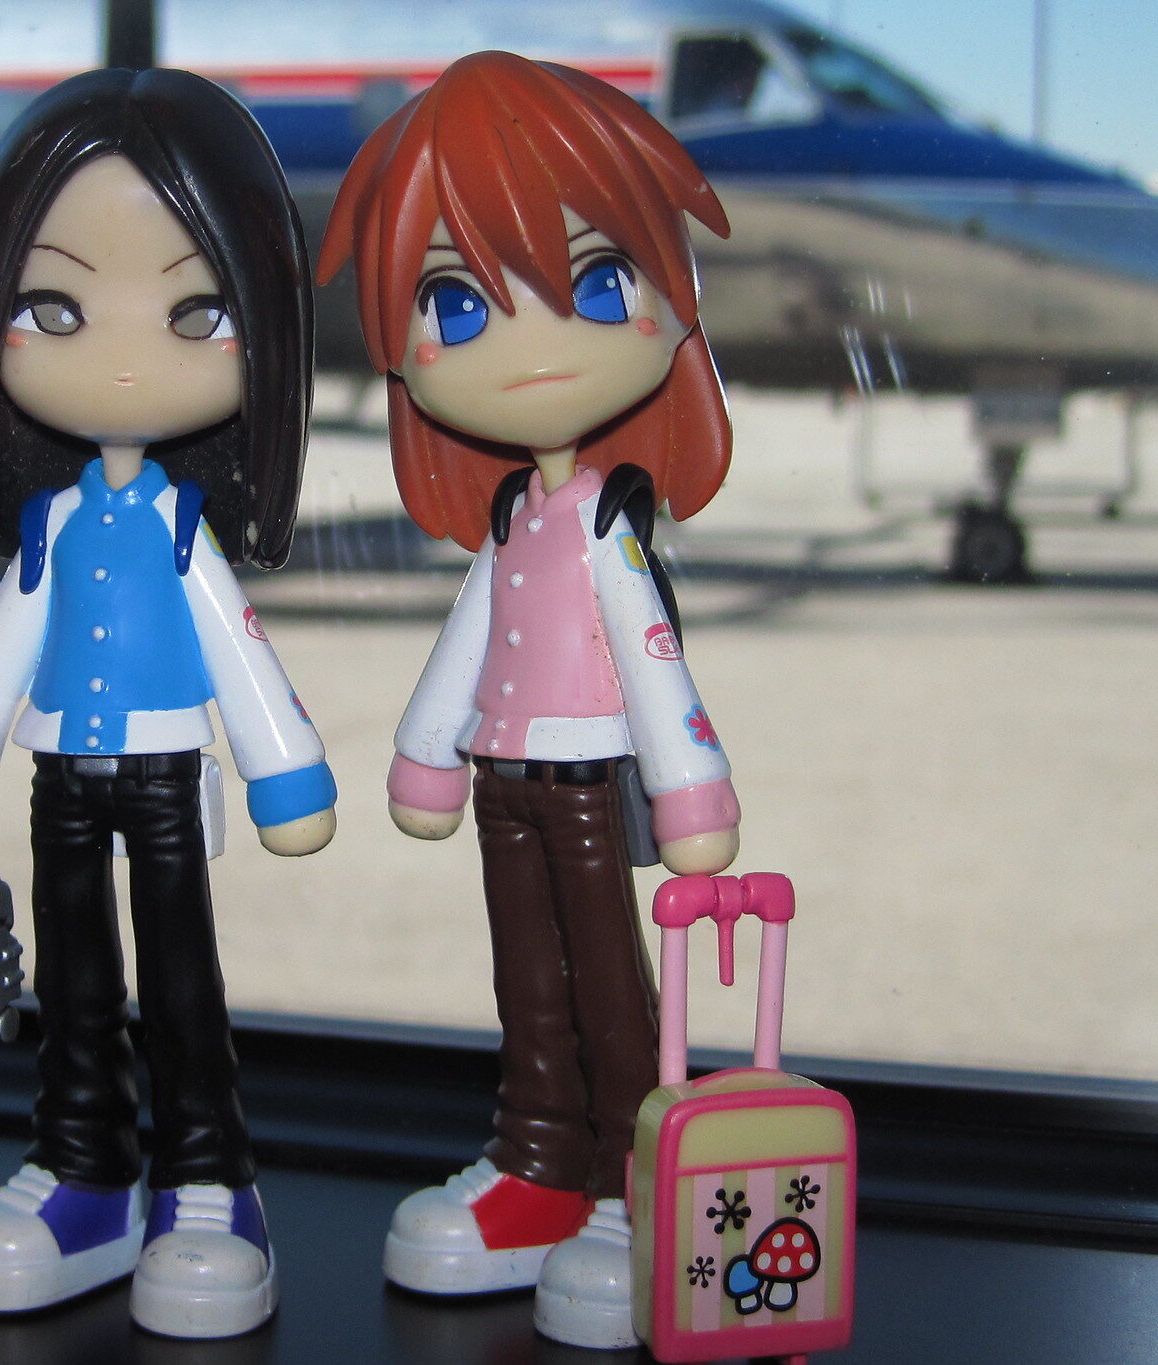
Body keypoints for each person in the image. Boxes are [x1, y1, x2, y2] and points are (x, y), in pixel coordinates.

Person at [317, 50, 739, 1350]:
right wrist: (426, 757)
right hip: (504, 782)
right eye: (453, 301)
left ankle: (630, 1181)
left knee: (610, 985)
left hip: (586, 783)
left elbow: (652, 658)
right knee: (527, 983)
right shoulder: (510, 518)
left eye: (597, 283)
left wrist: (691, 793)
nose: (530, 346)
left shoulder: (607, 523)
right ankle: (537, 1160)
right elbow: (468, 642)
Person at [0, 66, 333, 1340]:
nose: (128, 360)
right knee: (74, 976)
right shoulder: (50, 526)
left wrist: (285, 772)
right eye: (54, 308)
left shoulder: (182, 528)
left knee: (183, 976)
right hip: (58, 780)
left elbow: (239, 650)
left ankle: (207, 1177)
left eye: (197, 313)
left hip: (163, 779)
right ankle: (81, 1165)